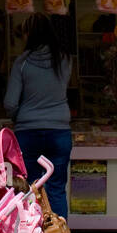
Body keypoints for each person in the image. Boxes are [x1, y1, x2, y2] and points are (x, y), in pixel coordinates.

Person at [5, 14, 73, 219]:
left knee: (31, 187)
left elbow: (10, 103)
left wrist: (22, 115)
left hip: (28, 133)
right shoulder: (65, 60)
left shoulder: (22, 63)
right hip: (59, 131)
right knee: (57, 188)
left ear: (30, 34)